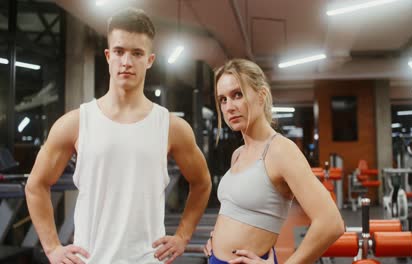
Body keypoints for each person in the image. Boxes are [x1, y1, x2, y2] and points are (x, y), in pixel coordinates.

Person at [25, 8, 212, 264]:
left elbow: (202, 182)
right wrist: (52, 248)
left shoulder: (171, 126)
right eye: (119, 51)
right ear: (108, 55)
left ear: (150, 60)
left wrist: (182, 236)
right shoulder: (75, 123)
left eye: (137, 53)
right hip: (90, 260)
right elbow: (35, 185)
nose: (126, 62)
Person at [204, 59, 344, 264]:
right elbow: (236, 211)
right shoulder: (238, 154)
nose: (229, 107)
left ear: (261, 96)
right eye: (223, 99)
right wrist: (216, 237)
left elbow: (331, 223)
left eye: (237, 95)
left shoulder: (280, 150)